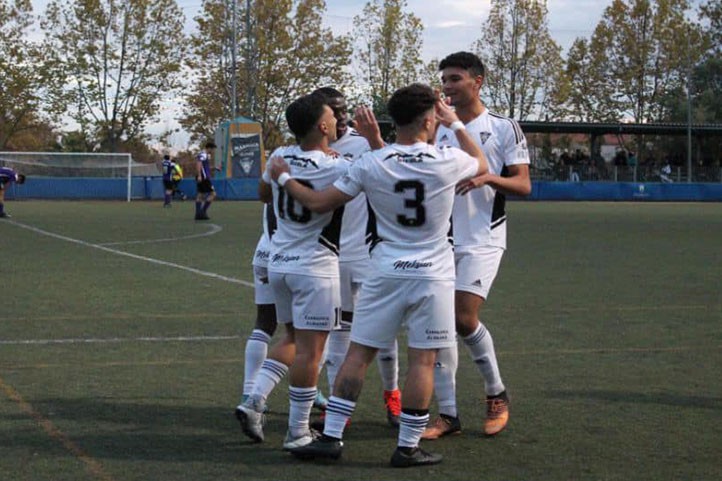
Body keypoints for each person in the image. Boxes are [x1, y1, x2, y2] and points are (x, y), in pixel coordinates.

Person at [272, 84, 488, 467]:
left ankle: (331, 437)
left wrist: (286, 179)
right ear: (428, 120)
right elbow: (481, 163)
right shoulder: (447, 158)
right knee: (422, 360)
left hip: (384, 270)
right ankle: (407, 447)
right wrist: (455, 124)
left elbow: (321, 202)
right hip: (432, 275)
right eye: (436, 116)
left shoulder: (372, 162)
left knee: (358, 353)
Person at [422, 51, 531, 440]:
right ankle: (448, 414)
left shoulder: (504, 128)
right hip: (439, 241)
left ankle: (496, 393)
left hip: (483, 239)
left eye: (455, 79)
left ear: (477, 81)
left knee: (463, 319)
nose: (448, 86)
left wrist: (488, 179)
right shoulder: (437, 128)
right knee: (438, 326)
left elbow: (523, 185)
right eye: (444, 80)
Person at [235, 92, 345, 451]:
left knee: (293, 340)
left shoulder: (281, 156)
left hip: (279, 262)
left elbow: (263, 193)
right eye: (332, 114)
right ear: (323, 125)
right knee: (312, 353)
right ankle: (298, 432)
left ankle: (254, 400)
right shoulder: (338, 166)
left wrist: (283, 178)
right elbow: (321, 201)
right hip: (315, 267)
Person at [312, 86, 402, 427]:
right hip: (331, 254)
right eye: (333, 111)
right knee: (339, 331)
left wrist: (376, 139)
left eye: (343, 109)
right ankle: (337, 408)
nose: (341, 116)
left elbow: (395, 171)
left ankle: (392, 396)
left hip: (368, 251)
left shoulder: (365, 143)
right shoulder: (311, 148)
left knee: (383, 329)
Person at [194, 141, 217, 220]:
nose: (213, 151)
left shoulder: (205, 155)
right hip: (204, 177)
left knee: (200, 195)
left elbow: (205, 167)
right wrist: (200, 175)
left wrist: (215, 168)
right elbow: (198, 163)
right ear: (209, 148)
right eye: (213, 149)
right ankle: (202, 212)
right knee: (213, 194)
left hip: (203, 176)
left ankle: (198, 214)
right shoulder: (203, 154)